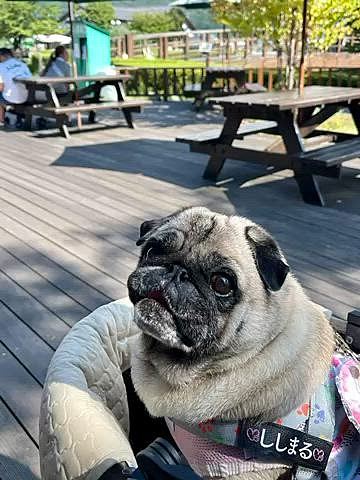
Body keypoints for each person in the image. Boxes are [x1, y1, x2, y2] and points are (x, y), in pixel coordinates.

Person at [0, 47, 31, 127]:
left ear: (2, 56)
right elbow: (30, 79)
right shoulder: (22, 64)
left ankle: (2, 119)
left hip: (9, 98)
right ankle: (18, 116)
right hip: (26, 97)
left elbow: (1, 87)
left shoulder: (1, 66)